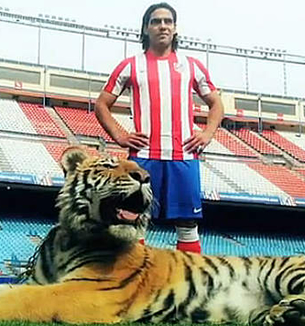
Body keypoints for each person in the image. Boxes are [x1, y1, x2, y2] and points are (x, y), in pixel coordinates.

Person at [95, 2, 224, 253]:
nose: (162, 26)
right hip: (143, 158)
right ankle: (135, 282)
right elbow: (102, 104)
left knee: (187, 224)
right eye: (156, 21)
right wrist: (120, 136)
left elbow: (216, 103)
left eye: (168, 21)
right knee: (135, 219)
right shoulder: (131, 65)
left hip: (183, 156)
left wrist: (207, 133)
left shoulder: (192, 65)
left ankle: (187, 284)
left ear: (175, 29)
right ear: (145, 29)